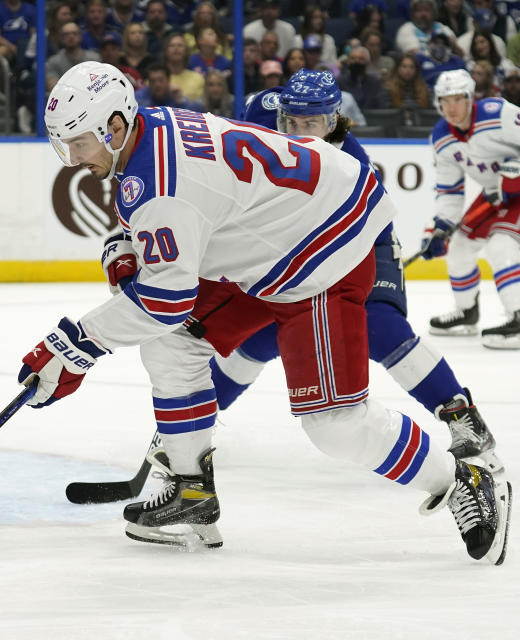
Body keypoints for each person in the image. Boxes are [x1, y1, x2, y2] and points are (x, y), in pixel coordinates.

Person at [26, 61, 511, 563]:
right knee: (174, 343)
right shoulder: (150, 128)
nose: (71, 158)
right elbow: (184, 222)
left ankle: (462, 479)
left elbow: (165, 299)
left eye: (78, 142)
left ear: (115, 127)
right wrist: (127, 248)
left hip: (323, 255)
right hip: (272, 249)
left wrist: (73, 344)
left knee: (336, 425)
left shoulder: (158, 181)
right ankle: (192, 494)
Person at [211, 69, 502, 487]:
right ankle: (194, 420)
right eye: (293, 122)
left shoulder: (349, 164)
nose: (301, 132)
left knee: (381, 327)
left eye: (313, 124)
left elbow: (341, 240)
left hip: (361, 242)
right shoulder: (262, 114)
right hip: (292, 249)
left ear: (334, 120)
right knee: (256, 337)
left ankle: (462, 417)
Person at [420, 69, 520, 349]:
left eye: (457, 99)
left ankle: (518, 315)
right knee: (460, 245)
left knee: (502, 244)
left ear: (470, 97)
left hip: (516, 191)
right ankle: (467, 312)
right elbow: (450, 190)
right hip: (496, 194)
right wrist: (441, 226)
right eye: (445, 101)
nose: (451, 108)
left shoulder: (497, 113)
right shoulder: (442, 137)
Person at [46, 21, 100, 91]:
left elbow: (100, 85)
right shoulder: (53, 62)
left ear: (80, 36)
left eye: (74, 33)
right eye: (66, 34)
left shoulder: (94, 59)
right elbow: (53, 88)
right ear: (61, 38)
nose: (71, 37)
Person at [133, 63, 202, 110]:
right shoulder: (138, 98)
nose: (157, 84)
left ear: (168, 80)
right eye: (153, 81)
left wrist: (180, 100)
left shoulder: (174, 95)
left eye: (161, 80)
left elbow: (195, 112)